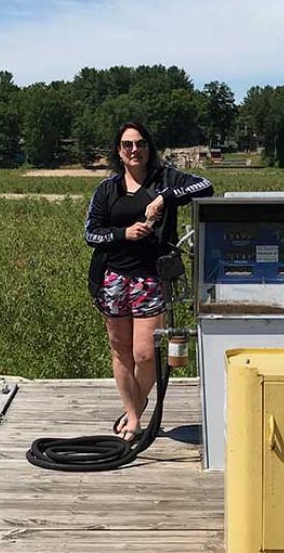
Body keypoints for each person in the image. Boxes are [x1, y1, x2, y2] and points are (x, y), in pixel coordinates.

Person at [84, 121, 213, 441]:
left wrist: (165, 199)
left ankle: (135, 409)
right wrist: (122, 233)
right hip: (112, 278)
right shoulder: (107, 189)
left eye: (140, 144)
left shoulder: (165, 178)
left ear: (148, 147)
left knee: (144, 353)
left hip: (151, 277)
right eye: (127, 145)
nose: (134, 150)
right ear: (119, 151)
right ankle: (133, 418)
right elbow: (91, 232)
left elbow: (205, 186)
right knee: (120, 350)